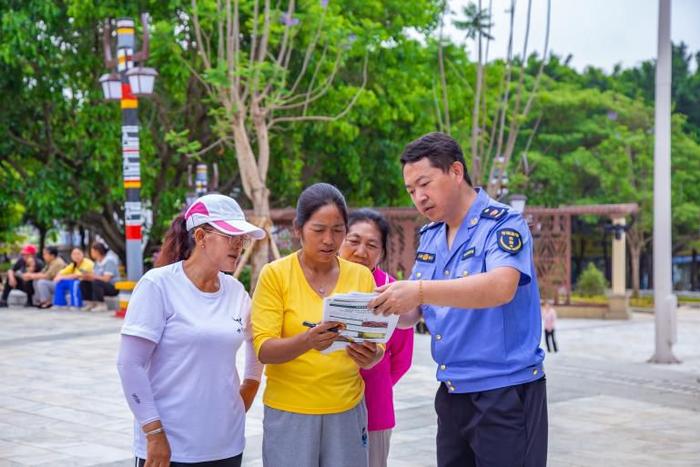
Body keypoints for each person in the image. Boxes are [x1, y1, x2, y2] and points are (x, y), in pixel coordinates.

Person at [370, 132, 548, 467]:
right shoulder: (431, 235)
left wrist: (419, 290)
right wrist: (379, 306)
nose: (419, 198)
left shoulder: (502, 224)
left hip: (505, 391)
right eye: (411, 191)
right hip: (452, 393)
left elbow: (501, 287)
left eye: (425, 184)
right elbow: (414, 314)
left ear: (455, 171)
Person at [117, 194, 266, 466]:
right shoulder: (158, 285)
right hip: (170, 447)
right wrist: (153, 433)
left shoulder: (235, 291)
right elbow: (129, 365)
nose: (239, 246)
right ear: (200, 236)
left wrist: (249, 388)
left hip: (226, 444)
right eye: (230, 237)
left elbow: (256, 341)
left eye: (242, 239)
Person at [252, 183, 385, 467]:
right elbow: (264, 349)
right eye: (319, 229)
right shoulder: (275, 275)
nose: (329, 239)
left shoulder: (361, 276)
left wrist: (372, 355)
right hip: (290, 411)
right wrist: (307, 341)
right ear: (298, 229)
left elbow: (377, 343)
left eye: (338, 230)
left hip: (347, 409)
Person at [338, 208, 414, 467]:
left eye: (372, 245)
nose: (361, 251)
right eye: (354, 241)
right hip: (320, 404)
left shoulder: (394, 292)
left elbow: (402, 359)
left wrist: (375, 377)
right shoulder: (320, 283)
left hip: (374, 408)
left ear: (381, 253)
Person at [79, 241, 121, 311]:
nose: (91, 253)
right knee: (84, 282)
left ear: (97, 252)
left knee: (96, 282)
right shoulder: (97, 263)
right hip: (101, 284)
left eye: (92, 251)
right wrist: (87, 277)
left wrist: (93, 276)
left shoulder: (109, 261)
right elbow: (95, 277)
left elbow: (106, 279)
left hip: (113, 287)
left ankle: (102, 304)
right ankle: (90, 303)